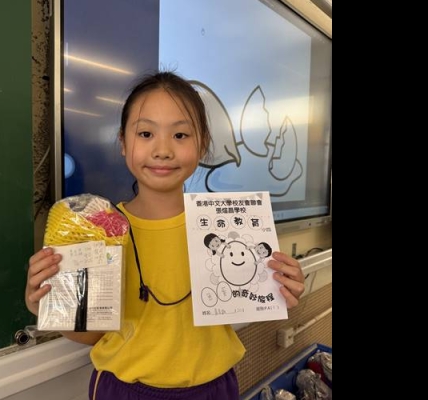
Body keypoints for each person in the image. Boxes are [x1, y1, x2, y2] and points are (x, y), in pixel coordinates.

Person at [25, 71, 305, 400]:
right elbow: (93, 334)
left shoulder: (230, 226)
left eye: (180, 135)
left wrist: (280, 288)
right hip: (125, 390)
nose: (162, 150)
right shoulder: (98, 229)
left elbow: (248, 297)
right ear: (123, 143)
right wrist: (49, 306)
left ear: (203, 144)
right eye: (145, 133)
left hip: (214, 388)